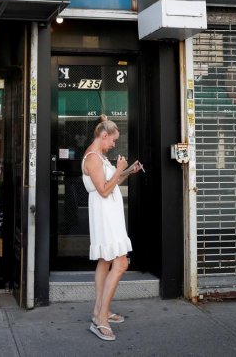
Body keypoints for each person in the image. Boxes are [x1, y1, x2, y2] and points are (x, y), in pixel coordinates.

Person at [82, 115, 142, 342]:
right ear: (103, 135)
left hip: (110, 215)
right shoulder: (93, 158)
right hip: (106, 218)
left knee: (106, 261)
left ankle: (101, 311)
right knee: (121, 262)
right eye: (113, 141)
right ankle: (100, 320)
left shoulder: (99, 157)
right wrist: (119, 168)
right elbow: (104, 191)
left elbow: (111, 183)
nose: (114, 145)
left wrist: (127, 172)